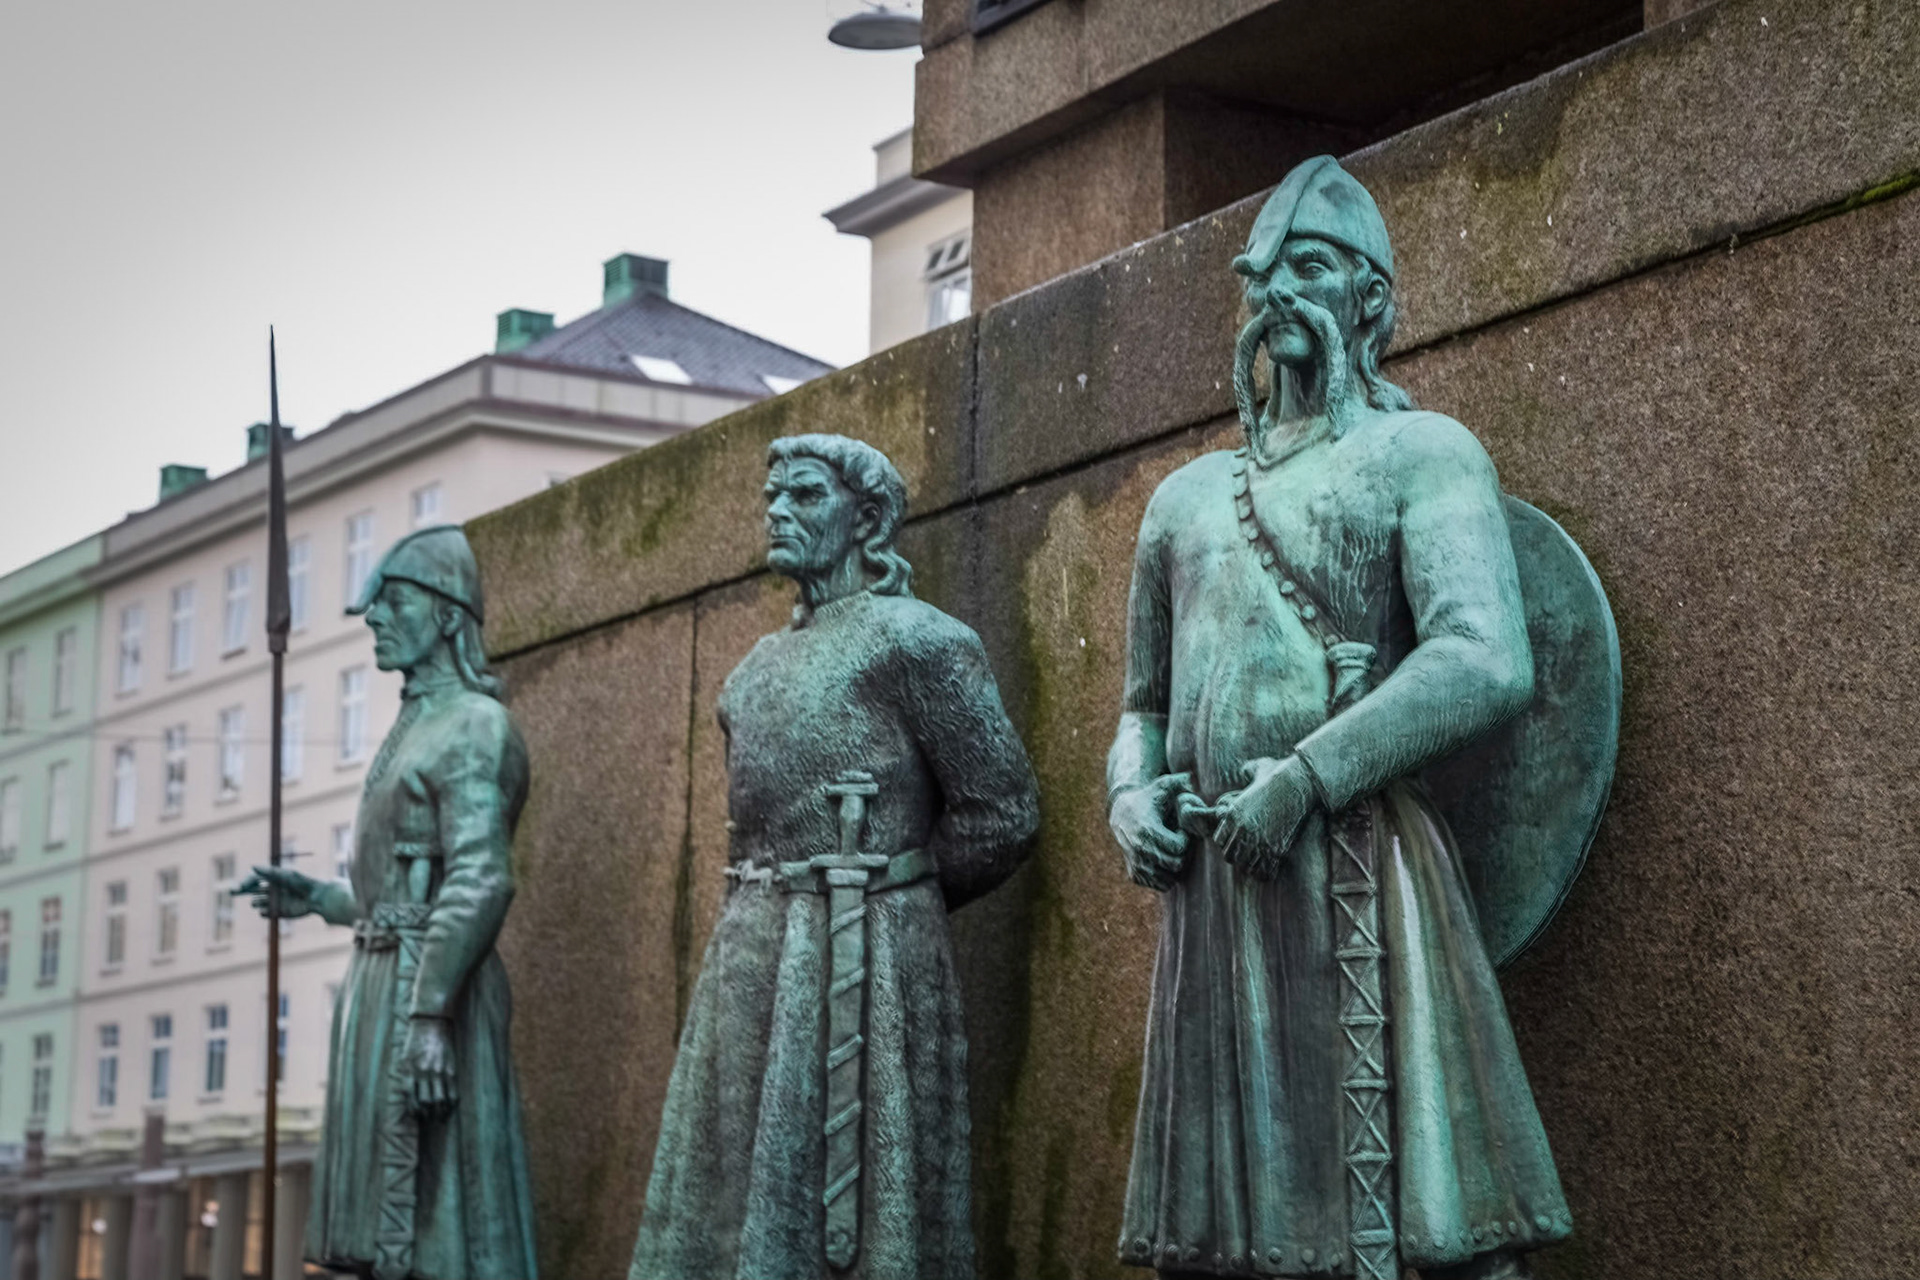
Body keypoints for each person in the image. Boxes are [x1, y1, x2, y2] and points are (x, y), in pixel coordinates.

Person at [1106, 157, 1572, 1280]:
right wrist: (1129, 793)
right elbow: (1142, 704)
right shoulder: (1182, 502)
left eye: (1310, 267)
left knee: (1426, 1221)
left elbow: (1484, 656)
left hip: (1359, 867)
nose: (1279, 294)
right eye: (1263, 274)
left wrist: (1308, 776)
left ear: (1369, 296)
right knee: (1220, 1244)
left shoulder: (1426, 455)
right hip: (1219, 892)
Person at [630, 434, 1039, 1280]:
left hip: (871, 953)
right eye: (771, 497)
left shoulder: (918, 643)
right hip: (751, 958)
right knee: (737, 1184)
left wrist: (896, 899)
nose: (778, 511)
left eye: (805, 495)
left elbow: (1001, 813)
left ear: (868, 518)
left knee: (864, 1207)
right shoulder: (750, 673)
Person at [240, 525, 537, 1280]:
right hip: (383, 986)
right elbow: (403, 888)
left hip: (427, 991)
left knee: (439, 1218)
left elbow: (479, 877)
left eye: (393, 602)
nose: (374, 619)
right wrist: (325, 900)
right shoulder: (414, 722)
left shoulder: (473, 724)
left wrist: (432, 1014)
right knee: (378, 1231)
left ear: (446, 616)